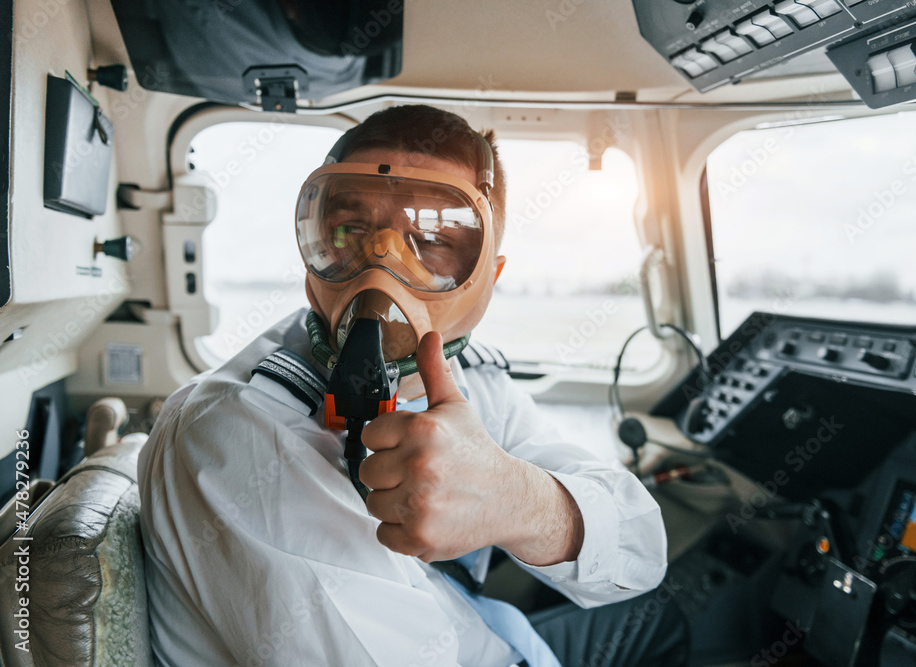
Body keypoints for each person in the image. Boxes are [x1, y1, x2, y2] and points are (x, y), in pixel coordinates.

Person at [138, 104, 688, 666]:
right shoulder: (245, 432)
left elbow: (639, 556)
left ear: (485, 280)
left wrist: (517, 501)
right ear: (314, 255)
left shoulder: (468, 381)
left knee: (657, 618)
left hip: (491, 629)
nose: (381, 268)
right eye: (350, 230)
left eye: (430, 241)